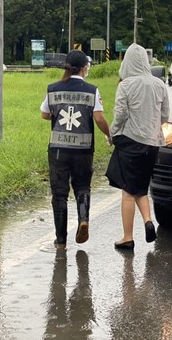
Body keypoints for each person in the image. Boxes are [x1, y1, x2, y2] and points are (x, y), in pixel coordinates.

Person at [40, 50, 111, 249]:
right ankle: (83, 220)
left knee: (59, 194)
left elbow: (45, 115)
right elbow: (98, 118)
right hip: (83, 150)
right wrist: (109, 134)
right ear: (83, 68)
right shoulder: (92, 90)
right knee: (82, 187)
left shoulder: (53, 88)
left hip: (58, 150)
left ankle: (60, 241)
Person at [106, 43, 169, 250]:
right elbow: (165, 115)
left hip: (131, 141)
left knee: (127, 190)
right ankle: (148, 221)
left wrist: (113, 133)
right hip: (153, 144)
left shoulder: (126, 85)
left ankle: (127, 237)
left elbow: (121, 115)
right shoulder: (159, 84)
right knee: (140, 187)